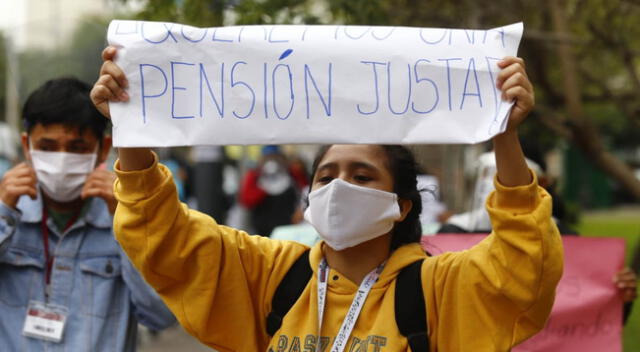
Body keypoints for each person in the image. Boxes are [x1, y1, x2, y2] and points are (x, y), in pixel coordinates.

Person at [92, 47, 563, 351]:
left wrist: (503, 132)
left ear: (402, 205)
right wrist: (132, 125)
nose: (339, 187)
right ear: (309, 194)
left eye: (362, 176)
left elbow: (524, 264)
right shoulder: (273, 274)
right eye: (327, 175)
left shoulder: (440, 288)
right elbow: (164, 235)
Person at [0, 78, 175, 351]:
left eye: (77, 148)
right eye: (47, 147)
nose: (61, 159)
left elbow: (161, 316)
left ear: (102, 149)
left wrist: (127, 224)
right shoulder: (8, 214)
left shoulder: (125, 217)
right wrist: (2, 213)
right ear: (26, 145)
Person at [239, 145, 309, 236]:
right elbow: (246, 200)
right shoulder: (254, 176)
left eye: (275, 157)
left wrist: (301, 211)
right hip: (262, 229)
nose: (272, 161)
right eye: (268, 158)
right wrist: (263, 188)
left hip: (289, 227)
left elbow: (306, 192)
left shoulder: (293, 173)